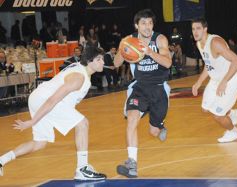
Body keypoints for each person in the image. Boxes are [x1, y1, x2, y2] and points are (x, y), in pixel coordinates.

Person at [0, 46, 107, 181]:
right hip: (45, 100)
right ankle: (82, 168)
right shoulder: (78, 78)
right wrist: (32, 122)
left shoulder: (81, 70)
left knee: (40, 143)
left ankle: (1, 160)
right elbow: (53, 100)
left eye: (102, 59)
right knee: (82, 123)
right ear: (89, 61)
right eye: (99, 59)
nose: (103, 62)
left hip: (38, 98)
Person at [114, 9, 172, 178]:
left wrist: (149, 52)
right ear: (136, 25)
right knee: (132, 119)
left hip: (159, 88)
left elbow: (168, 63)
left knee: (153, 132)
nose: (147, 27)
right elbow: (117, 63)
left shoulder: (159, 39)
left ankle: (159, 126)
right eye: (143, 23)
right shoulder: (130, 40)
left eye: (150, 23)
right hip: (139, 88)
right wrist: (123, 49)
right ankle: (132, 164)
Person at [191, 18, 237, 143]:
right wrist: (198, 82)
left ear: (205, 29)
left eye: (198, 28)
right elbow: (208, 65)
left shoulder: (215, 42)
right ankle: (232, 114)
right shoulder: (199, 43)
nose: (195, 32)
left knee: (217, 115)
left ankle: (233, 132)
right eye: (193, 29)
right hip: (216, 80)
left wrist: (224, 81)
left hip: (230, 80)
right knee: (205, 108)